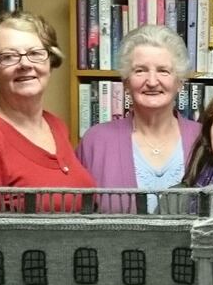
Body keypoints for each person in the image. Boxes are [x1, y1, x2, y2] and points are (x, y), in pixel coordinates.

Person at [0, 11, 95, 278]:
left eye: (35, 53)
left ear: (50, 60)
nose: (25, 64)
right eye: (8, 57)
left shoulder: (56, 126)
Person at [77, 24, 202, 212]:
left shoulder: (203, 138)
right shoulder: (96, 141)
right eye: (140, 70)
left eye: (163, 71)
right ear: (126, 82)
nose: (152, 81)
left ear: (180, 82)